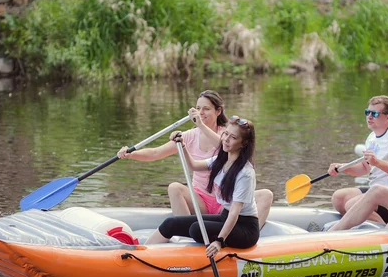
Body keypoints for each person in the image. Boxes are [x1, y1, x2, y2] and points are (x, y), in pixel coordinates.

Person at [116, 90, 273, 229]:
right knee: (174, 188)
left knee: (266, 194)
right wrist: (130, 154)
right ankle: (184, 232)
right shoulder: (189, 136)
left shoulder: (228, 135)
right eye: (198, 108)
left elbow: (221, 147)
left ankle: (254, 238)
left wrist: (201, 125)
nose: (200, 112)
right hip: (200, 200)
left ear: (218, 111)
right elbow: (156, 153)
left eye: (206, 109)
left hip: (226, 202)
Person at [146, 116, 260, 256]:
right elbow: (193, 166)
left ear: (243, 143)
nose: (226, 139)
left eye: (233, 137)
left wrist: (219, 241)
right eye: (225, 134)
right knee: (171, 223)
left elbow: (235, 212)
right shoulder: (221, 160)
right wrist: (182, 146)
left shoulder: (245, 173)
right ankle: (141, 253)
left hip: (245, 228)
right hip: (224, 216)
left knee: (196, 229)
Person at [328, 95, 388, 225]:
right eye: (367, 112)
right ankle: (362, 226)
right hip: (376, 191)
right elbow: (365, 168)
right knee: (339, 198)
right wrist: (342, 167)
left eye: (374, 113)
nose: (369, 117)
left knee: (351, 204)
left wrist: (377, 162)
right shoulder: (372, 137)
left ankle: (385, 230)